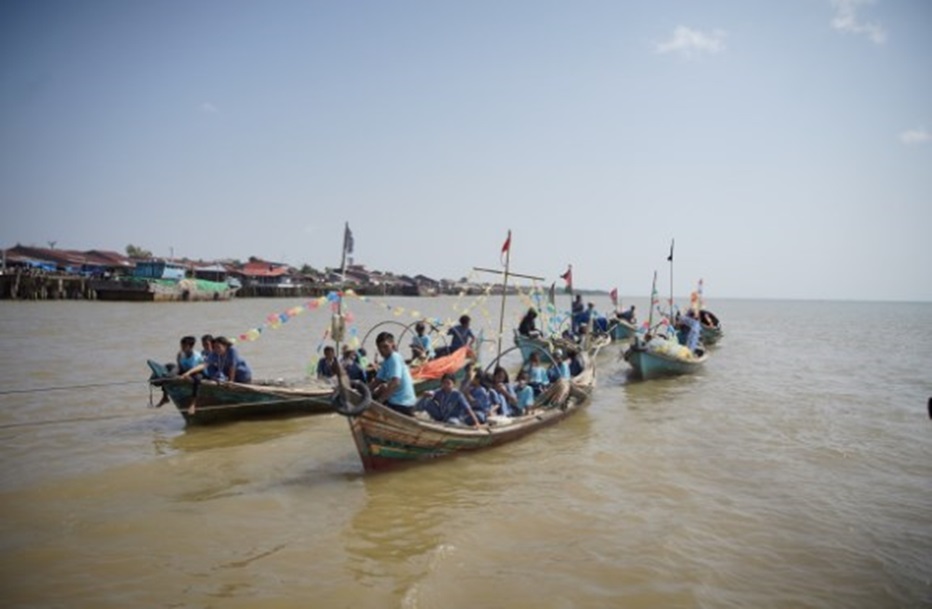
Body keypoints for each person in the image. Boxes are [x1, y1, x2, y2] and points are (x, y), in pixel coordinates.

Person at [369, 332, 417, 416]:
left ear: (392, 345)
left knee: (374, 408)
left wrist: (380, 401)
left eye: (385, 346)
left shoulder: (394, 358)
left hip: (403, 404)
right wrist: (362, 391)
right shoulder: (386, 361)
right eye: (380, 347)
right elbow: (377, 381)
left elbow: (395, 382)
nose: (382, 350)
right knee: (379, 390)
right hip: (395, 401)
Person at [416, 373, 482, 428]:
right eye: (444, 383)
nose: (446, 385)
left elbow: (468, 409)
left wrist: (476, 422)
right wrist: (427, 394)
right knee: (426, 399)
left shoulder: (457, 395)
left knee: (452, 422)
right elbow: (433, 393)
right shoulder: (440, 391)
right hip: (440, 415)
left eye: (448, 383)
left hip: (452, 418)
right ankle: (413, 413)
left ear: (453, 384)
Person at [154, 335, 204, 407]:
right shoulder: (181, 353)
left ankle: (193, 402)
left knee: (198, 378)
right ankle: (165, 397)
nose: (182, 348)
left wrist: (187, 376)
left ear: (191, 346)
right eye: (181, 346)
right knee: (168, 373)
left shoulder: (197, 356)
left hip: (193, 372)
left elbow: (201, 368)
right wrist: (178, 374)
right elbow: (180, 366)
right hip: (183, 370)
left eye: (184, 346)